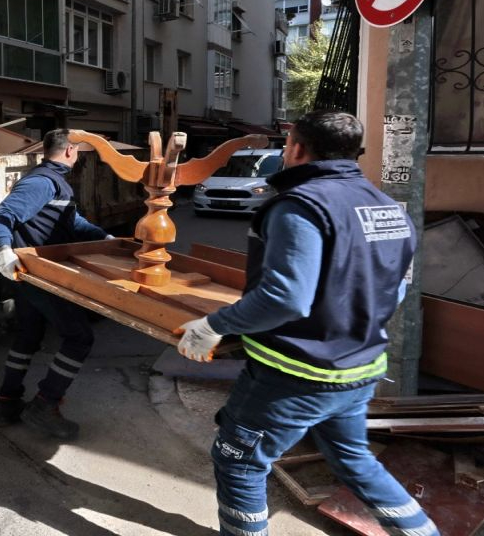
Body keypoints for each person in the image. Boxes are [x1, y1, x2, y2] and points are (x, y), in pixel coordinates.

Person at [176, 111, 437, 536]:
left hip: (295, 375)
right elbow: (397, 290)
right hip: (360, 367)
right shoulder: (389, 208)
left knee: (238, 460)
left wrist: (214, 324)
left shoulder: (300, 206)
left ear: (295, 147)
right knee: (354, 461)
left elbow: (286, 298)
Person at [0, 129, 110, 440]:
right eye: (80, 151)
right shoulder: (42, 182)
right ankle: (46, 404)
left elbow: (72, 222)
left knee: (28, 336)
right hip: (40, 277)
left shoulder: (55, 183)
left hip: (32, 276)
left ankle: (6, 403)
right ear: (70, 151)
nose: (79, 156)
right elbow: (2, 216)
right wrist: (4, 250)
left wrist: (106, 238)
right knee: (79, 337)